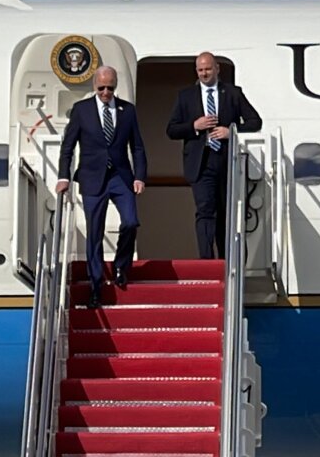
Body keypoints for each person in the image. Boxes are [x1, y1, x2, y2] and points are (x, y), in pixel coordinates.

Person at [56, 66, 147, 309]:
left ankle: (120, 265)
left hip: (120, 176)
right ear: (94, 86)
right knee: (94, 234)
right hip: (92, 177)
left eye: (110, 88)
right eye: (101, 88)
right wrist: (63, 176)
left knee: (130, 221)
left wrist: (139, 176)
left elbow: (137, 146)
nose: (106, 92)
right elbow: (68, 146)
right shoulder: (82, 110)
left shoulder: (127, 110)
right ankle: (96, 287)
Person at [166, 52, 262, 259]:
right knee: (205, 210)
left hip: (227, 161)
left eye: (208, 69)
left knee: (226, 213)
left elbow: (255, 122)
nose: (204, 74)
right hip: (201, 162)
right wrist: (194, 126)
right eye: (200, 70)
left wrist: (232, 131)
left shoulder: (233, 93)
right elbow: (171, 130)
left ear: (217, 68)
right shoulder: (186, 96)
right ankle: (206, 261)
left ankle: (228, 261)